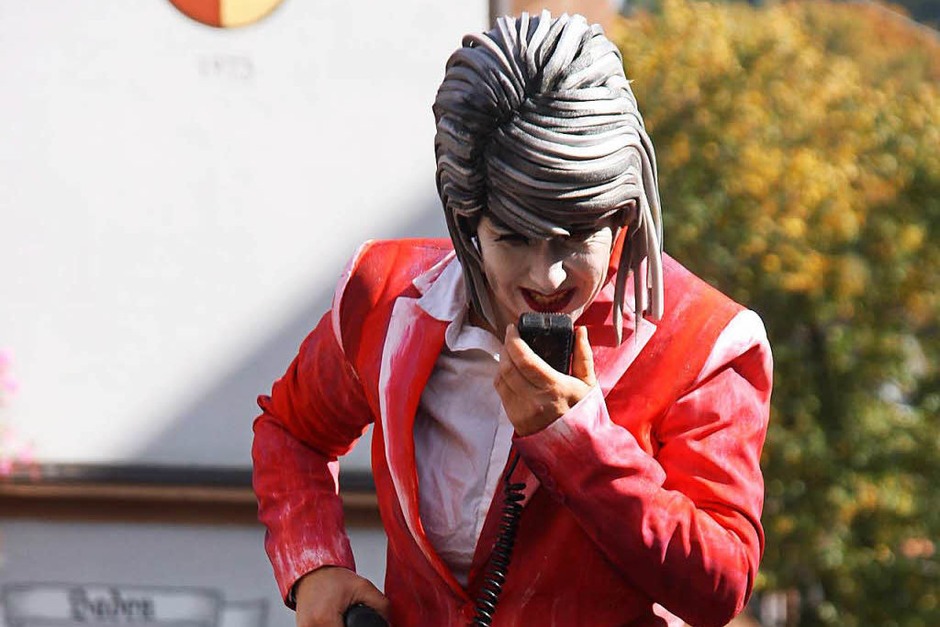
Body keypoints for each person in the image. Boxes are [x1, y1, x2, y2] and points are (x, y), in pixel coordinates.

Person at [252, 11, 772, 627]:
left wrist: (580, 445)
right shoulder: (384, 299)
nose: (547, 277)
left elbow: (720, 582)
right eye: (514, 238)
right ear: (466, 220)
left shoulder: (705, 341)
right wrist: (314, 564)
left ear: (623, 216)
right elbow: (292, 431)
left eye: (576, 236)